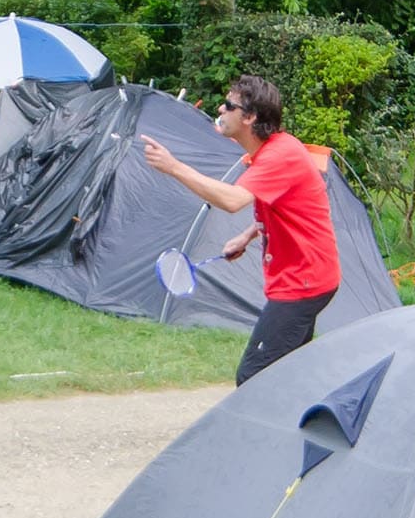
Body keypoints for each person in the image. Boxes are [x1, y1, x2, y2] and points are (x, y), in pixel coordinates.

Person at [141, 74, 339, 384]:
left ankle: (267, 430)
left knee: (253, 377)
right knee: (289, 374)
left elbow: (233, 201)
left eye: (229, 106)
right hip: (311, 277)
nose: (220, 109)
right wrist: (248, 234)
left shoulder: (279, 155)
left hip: (303, 283)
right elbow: (286, 206)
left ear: (250, 117)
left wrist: (173, 166)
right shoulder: (268, 153)